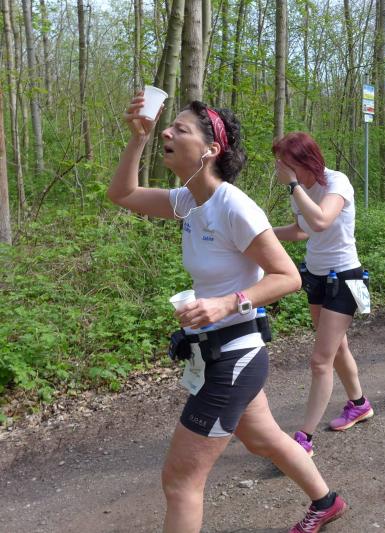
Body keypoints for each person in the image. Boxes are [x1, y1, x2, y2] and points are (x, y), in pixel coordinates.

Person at [107, 95, 346, 532]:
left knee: (180, 481)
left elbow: (288, 277)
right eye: (169, 126)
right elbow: (122, 194)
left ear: (210, 149)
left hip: (235, 356)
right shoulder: (189, 201)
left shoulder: (233, 205)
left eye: (180, 129)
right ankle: (327, 502)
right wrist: (138, 138)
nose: (167, 132)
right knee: (264, 439)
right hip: (217, 352)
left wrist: (224, 303)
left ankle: (326, 501)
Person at [272, 133, 374, 458]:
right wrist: (260, 234)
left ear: (305, 161)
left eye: (285, 163)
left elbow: (320, 219)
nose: (280, 168)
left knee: (320, 361)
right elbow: (302, 230)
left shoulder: (336, 182)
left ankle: (304, 437)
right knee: (337, 347)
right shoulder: (300, 191)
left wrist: (293, 185)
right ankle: (359, 404)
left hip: (344, 277)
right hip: (315, 277)